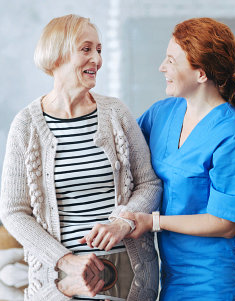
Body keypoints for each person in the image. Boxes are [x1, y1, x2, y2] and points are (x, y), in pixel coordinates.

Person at [0, 14, 162, 301]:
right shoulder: (25, 125)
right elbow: (13, 211)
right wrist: (63, 260)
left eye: (99, 50)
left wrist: (122, 221)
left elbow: (150, 184)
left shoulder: (117, 114)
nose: (97, 60)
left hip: (131, 274)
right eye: (86, 49)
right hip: (58, 279)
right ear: (57, 55)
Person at [120, 18, 235, 300]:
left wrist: (153, 222)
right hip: (170, 274)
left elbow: (226, 223)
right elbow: (123, 150)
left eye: (172, 61)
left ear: (201, 74)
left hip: (216, 279)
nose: (162, 67)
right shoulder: (163, 114)